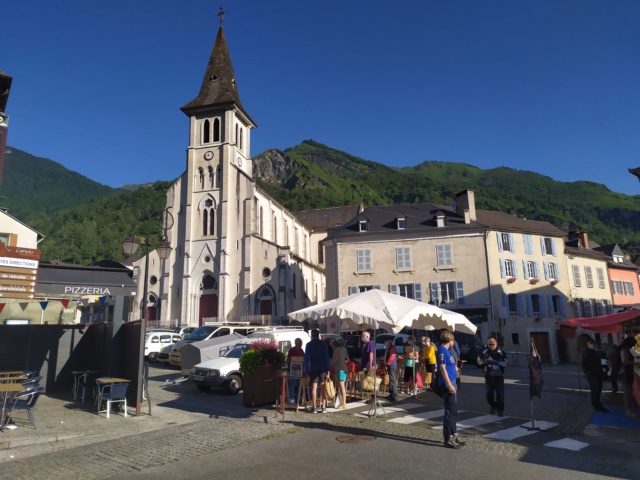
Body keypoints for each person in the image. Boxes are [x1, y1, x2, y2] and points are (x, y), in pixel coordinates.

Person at [437, 329, 465, 449]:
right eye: (453, 340)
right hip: (447, 383)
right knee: (449, 410)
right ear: (450, 340)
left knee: (454, 410)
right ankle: (447, 437)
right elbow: (442, 368)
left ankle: (454, 433)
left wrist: (455, 368)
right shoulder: (442, 350)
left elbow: (449, 365)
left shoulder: (447, 351)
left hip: (453, 381)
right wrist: (449, 384)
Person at [477, 335, 508, 416]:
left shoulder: (501, 352)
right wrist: (484, 361)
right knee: (489, 394)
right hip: (488, 375)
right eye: (489, 344)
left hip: (498, 376)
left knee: (500, 394)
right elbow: (478, 361)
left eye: (492, 344)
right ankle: (492, 406)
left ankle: (500, 410)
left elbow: (505, 363)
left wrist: (496, 362)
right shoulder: (484, 352)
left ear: (496, 344)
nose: (491, 346)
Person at [304, 329, 330, 413]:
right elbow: (326, 357)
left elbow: (306, 358)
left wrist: (307, 370)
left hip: (313, 368)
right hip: (322, 367)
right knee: (323, 387)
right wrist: (328, 369)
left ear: (311, 335)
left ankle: (314, 407)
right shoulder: (323, 344)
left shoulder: (309, 345)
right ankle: (323, 407)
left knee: (314, 388)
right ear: (318, 335)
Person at [580, 337, 608, 413]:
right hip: (591, 375)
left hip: (598, 373)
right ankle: (596, 405)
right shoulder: (585, 352)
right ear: (587, 344)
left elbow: (599, 363)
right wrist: (587, 373)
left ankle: (598, 404)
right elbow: (583, 364)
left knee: (599, 389)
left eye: (593, 343)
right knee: (595, 390)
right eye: (590, 343)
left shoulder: (595, 352)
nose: (592, 345)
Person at [618, 336, 639, 417]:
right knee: (627, 391)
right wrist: (636, 364)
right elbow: (624, 361)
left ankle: (628, 409)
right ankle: (628, 410)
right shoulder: (624, 349)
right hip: (625, 372)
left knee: (627, 391)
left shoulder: (622, 348)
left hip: (623, 372)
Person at [330, 339, 348, 409]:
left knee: (342, 386)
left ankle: (344, 403)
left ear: (334, 345)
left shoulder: (336, 351)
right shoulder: (343, 349)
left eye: (331, 346)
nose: (331, 347)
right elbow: (347, 358)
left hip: (340, 370)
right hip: (344, 369)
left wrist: (330, 363)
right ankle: (342, 402)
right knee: (341, 387)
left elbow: (333, 361)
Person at [286, 338, 305, 404]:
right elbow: (288, 359)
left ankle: (298, 399)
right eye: (299, 343)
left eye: (301, 343)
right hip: (292, 371)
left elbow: (303, 359)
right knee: (292, 385)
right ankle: (291, 399)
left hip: (300, 371)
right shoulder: (292, 350)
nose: (300, 345)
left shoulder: (301, 350)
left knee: (299, 385)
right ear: (296, 343)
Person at [383, 337, 398, 401]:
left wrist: (387, 364)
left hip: (391, 366)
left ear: (390, 341)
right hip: (390, 365)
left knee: (392, 380)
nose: (385, 342)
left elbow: (392, 357)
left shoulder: (392, 348)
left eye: (387, 341)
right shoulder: (388, 348)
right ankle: (391, 394)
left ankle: (394, 395)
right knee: (390, 380)